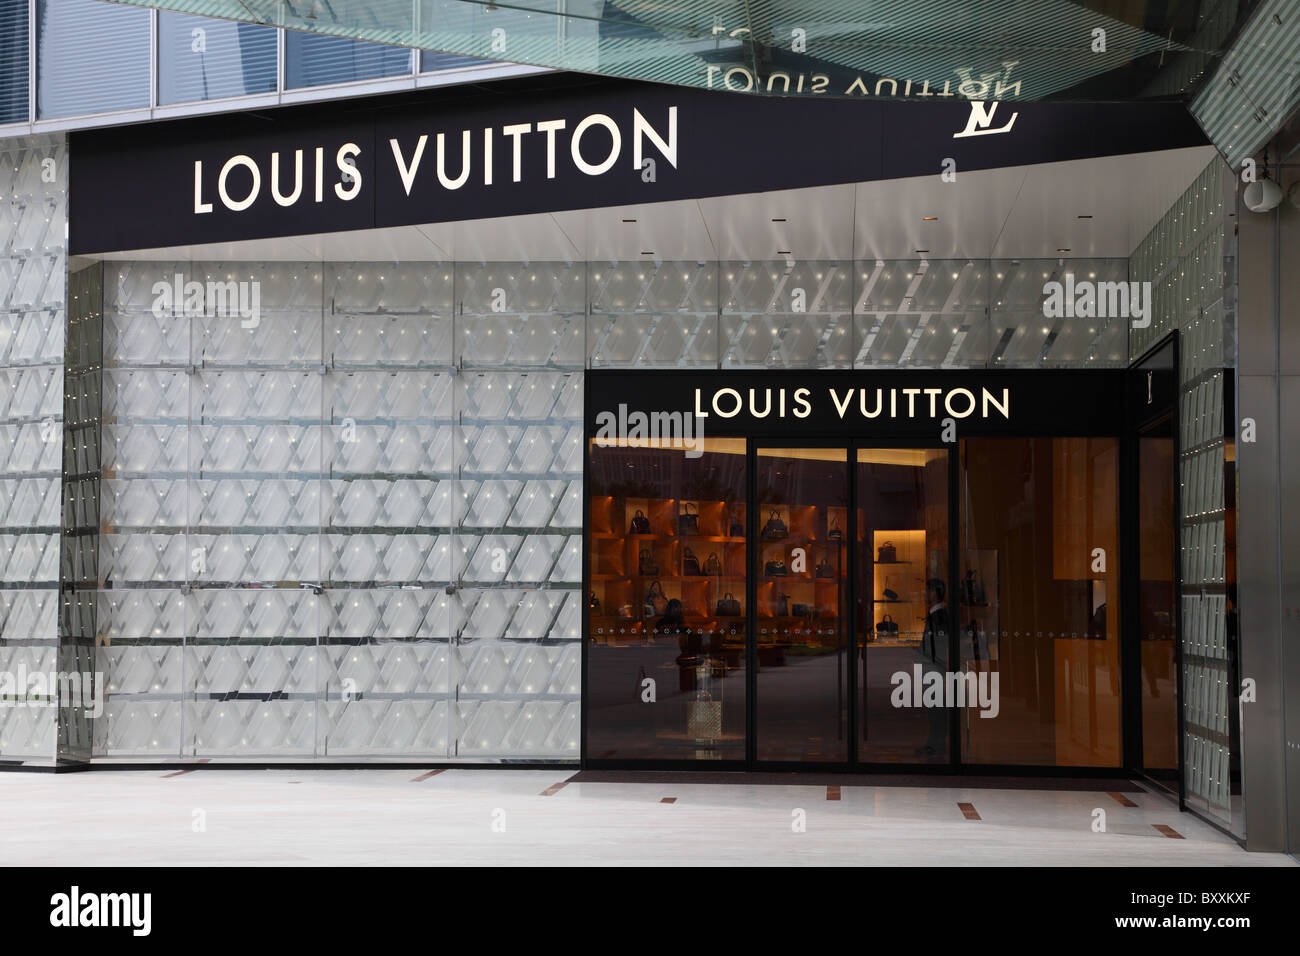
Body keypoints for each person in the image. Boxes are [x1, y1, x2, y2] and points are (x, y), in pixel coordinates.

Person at [918, 578, 950, 757]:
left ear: (936, 593)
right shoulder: (936, 614)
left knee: (936, 707)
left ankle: (936, 744)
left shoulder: (939, 616)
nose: (925, 594)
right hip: (934, 667)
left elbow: (938, 644)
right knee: (934, 706)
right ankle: (934, 742)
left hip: (935, 668)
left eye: (928, 591)